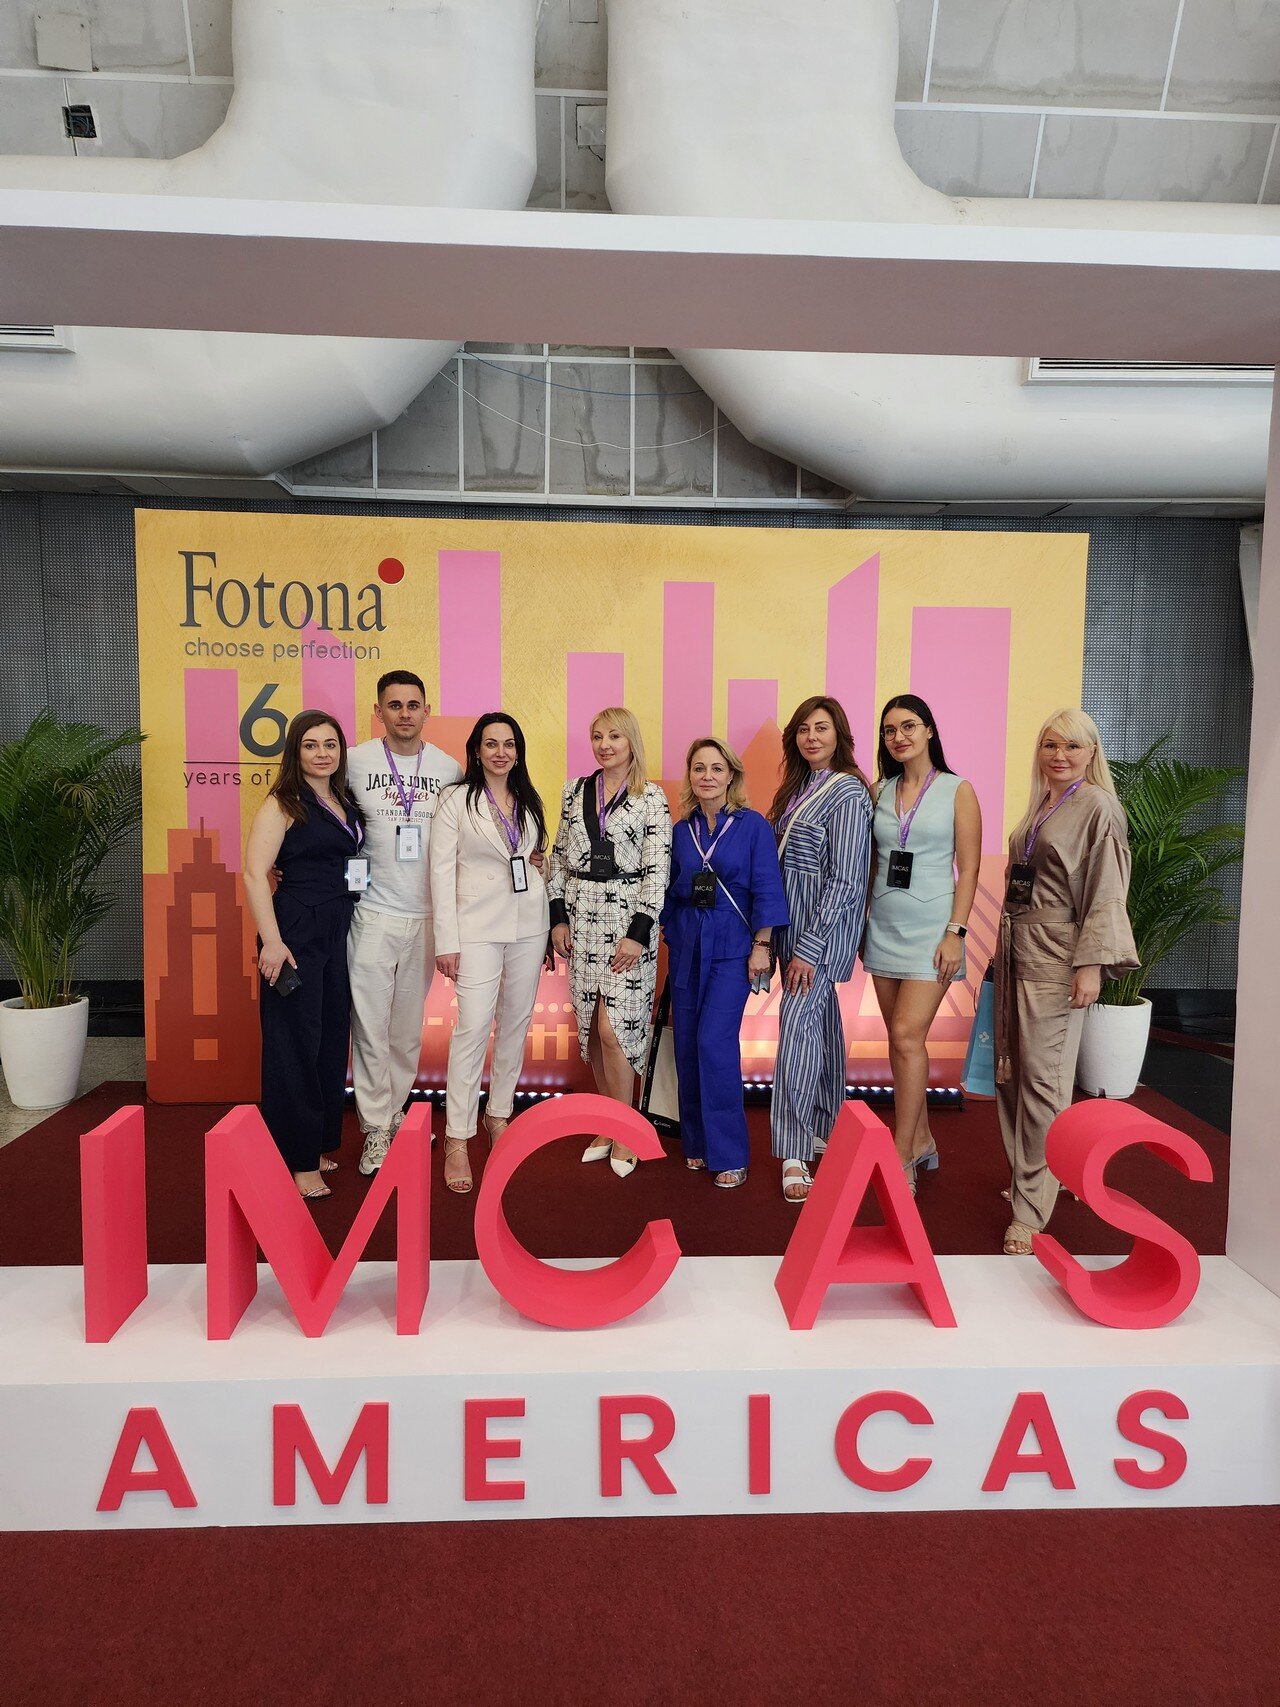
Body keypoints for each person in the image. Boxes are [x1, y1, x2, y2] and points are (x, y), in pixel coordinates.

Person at [996, 708, 1138, 1256]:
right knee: (1014, 1071)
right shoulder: (1043, 803)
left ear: (1091, 752)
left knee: (1044, 1080)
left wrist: (1090, 964)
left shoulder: (1098, 806)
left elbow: (1107, 890)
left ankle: (1030, 1212)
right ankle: (1033, 1176)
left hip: (1059, 956)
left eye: (1072, 746)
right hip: (1019, 948)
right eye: (1050, 745)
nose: (1059, 755)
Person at [243, 710, 365, 1201]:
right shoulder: (282, 802)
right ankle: (296, 1160)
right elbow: (255, 873)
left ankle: (315, 1144)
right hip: (294, 930)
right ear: (295, 751)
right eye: (311, 745)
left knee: (330, 1039)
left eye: (330, 744)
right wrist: (272, 942)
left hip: (337, 928)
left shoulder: (342, 799)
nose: (322, 753)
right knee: (294, 1044)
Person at [862, 694, 982, 1193]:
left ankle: (902, 1150)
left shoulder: (957, 790)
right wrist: (859, 920)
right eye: (890, 730)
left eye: (909, 726)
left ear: (929, 730)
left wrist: (956, 933)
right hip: (883, 927)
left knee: (907, 1036)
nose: (899, 737)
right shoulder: (878, 790)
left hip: (934, 932)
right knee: (901, 1043)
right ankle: (925, 1138)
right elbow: (871, 862)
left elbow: (968, 869)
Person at [548, 707, 673, 1177]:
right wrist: (557, 918)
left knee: (613, 1029)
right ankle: (608, 1120)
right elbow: (559, 859)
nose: (605, 745)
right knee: (591, 1031)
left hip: (627, 923)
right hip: (581, 919)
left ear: (631, 740)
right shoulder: (574, 791)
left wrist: (638, 934)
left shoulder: (651, 797)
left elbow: (658, 870)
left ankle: (627, 1127)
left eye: (615, 736)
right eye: (598, 736)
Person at [346, 670, 461, 1176]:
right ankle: (376, 1128)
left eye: (413, 705)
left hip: (427, 917)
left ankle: (393, 1113)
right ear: (379, 712)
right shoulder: (354, 762)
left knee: (406, 1031)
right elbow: (321, 815)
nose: (405, 714)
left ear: (426, 711)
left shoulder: (449, 768)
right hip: (372, 913)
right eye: (394, 705)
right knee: (370, 1028)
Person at [430, 713, 551, 1194]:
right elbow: (441, 872)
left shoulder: (528, 800)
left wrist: (540, 864)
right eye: (491, 744)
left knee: (516, 1022)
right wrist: (446, 941)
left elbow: (533, 858)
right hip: (475, 928)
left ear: (518, 752)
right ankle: (457, 1135)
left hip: (528, 924)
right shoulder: (455, 800)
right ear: (476, 751)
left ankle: (499, 1112)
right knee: (473, 1028)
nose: (501, 752)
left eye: (509, 744)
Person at [660, 739, 789, 1188]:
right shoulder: (682, 830)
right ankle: (696, 1141)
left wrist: (762, 944)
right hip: (687, 946)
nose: (707, 776)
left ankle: (730, 1153)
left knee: (714, 1043)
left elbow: (767, 886)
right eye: (699, 768)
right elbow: (671, 887)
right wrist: (663, 927)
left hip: (734, 948)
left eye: (717, 768)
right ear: (690, 776)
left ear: (731, 775)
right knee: (688, 1044)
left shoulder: (753, 826)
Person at [767, 696, 873, 1203]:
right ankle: (827, 1128)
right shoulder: (796, 789)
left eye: (822, 728)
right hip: (791, 930)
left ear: (839, 735)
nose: (811, 737)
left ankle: (793, 1150)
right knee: (821, 1027)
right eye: (804, 729)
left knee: (796, 1030)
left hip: (819, 936)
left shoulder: (848, 791)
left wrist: (809, 947)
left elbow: (847, 879)